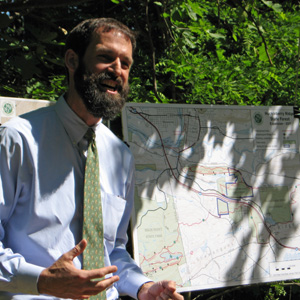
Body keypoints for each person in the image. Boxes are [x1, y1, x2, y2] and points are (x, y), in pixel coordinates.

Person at [0, 18, 184, 300]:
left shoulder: (120, 155)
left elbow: (113, 250)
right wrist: (42, 281)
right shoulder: (17, 140)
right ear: (72, 60)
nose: (117, 70)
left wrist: (142, 287)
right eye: (105, 57)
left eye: (126, 63)